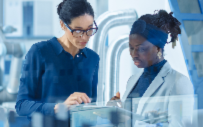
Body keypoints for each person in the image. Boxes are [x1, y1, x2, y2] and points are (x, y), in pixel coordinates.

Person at [15, 0, 99, 116]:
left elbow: (92, 105)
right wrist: (57, 108)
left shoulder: (93, 58)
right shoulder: (40, 52)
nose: (84, 37)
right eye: (78, 30)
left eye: (89, 29)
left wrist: (109, 108)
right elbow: (21, 105)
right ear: (62, 25)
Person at [111, 10, 194, 126]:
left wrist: (135, 122)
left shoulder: (179, 83)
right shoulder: (132, 81)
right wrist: (113, 113)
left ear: (158, 49)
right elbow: (125, 120)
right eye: (131, 48)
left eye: (141, 49)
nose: (134, 54)